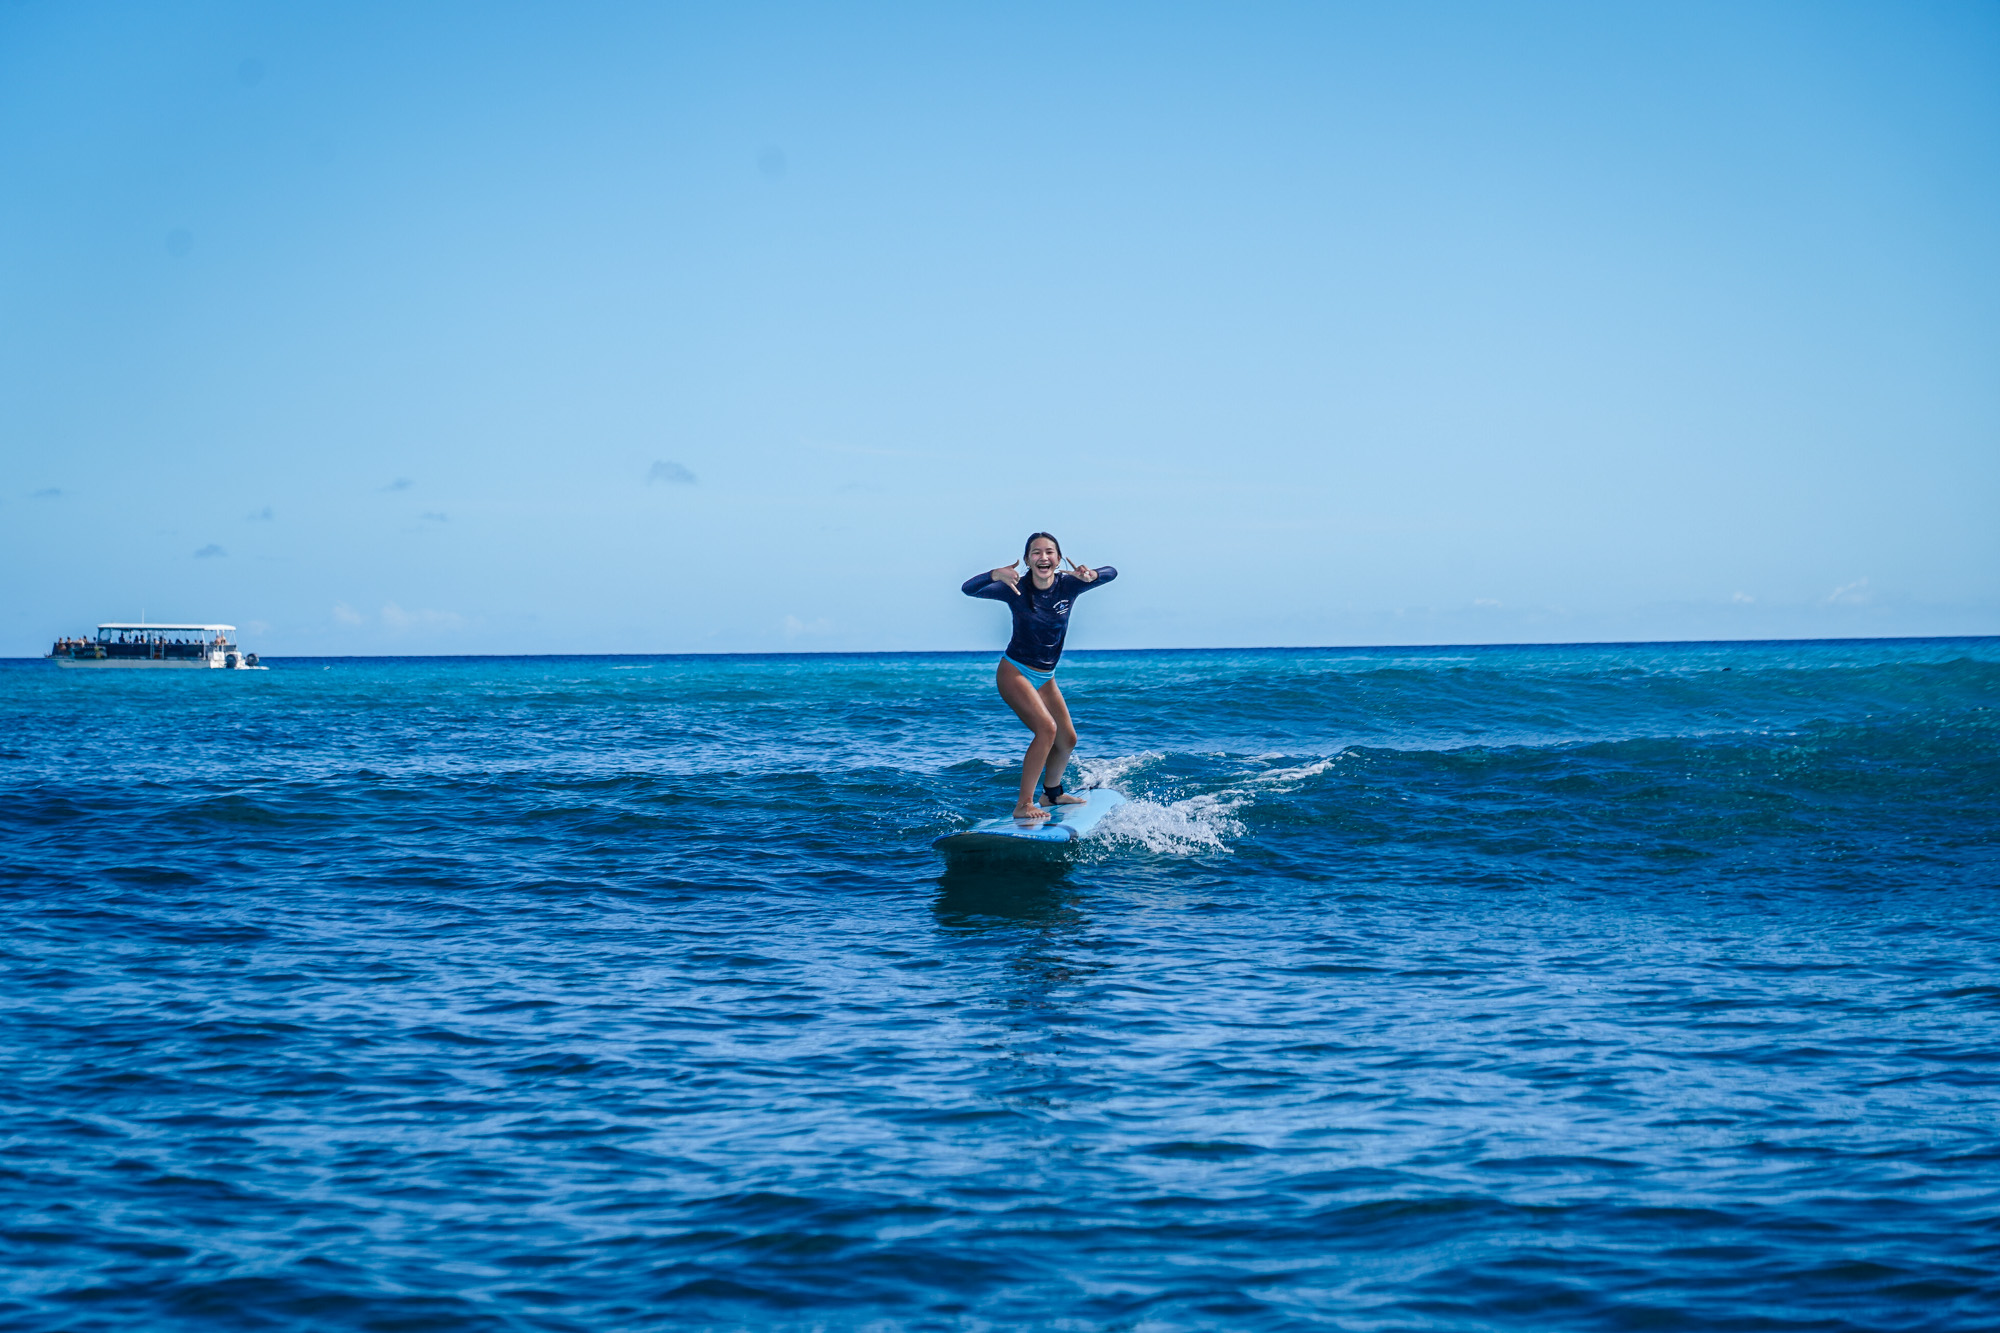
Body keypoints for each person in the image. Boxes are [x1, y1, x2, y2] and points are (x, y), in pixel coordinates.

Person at [962, 532, 1118, 821]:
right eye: (1036, 553)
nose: (1043, 557)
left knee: (1067, 738)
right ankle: (1024, 804)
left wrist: (1093, 573)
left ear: (1058, 559)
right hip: (1015, 672)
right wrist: (994, 574)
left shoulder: (1069, 585)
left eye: (1049, 552)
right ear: (1026, 560)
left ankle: (1052, 794)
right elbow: (968, 588)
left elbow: (1112, 573)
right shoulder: (1014, 588)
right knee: (1047, 730)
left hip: (1046, 676)